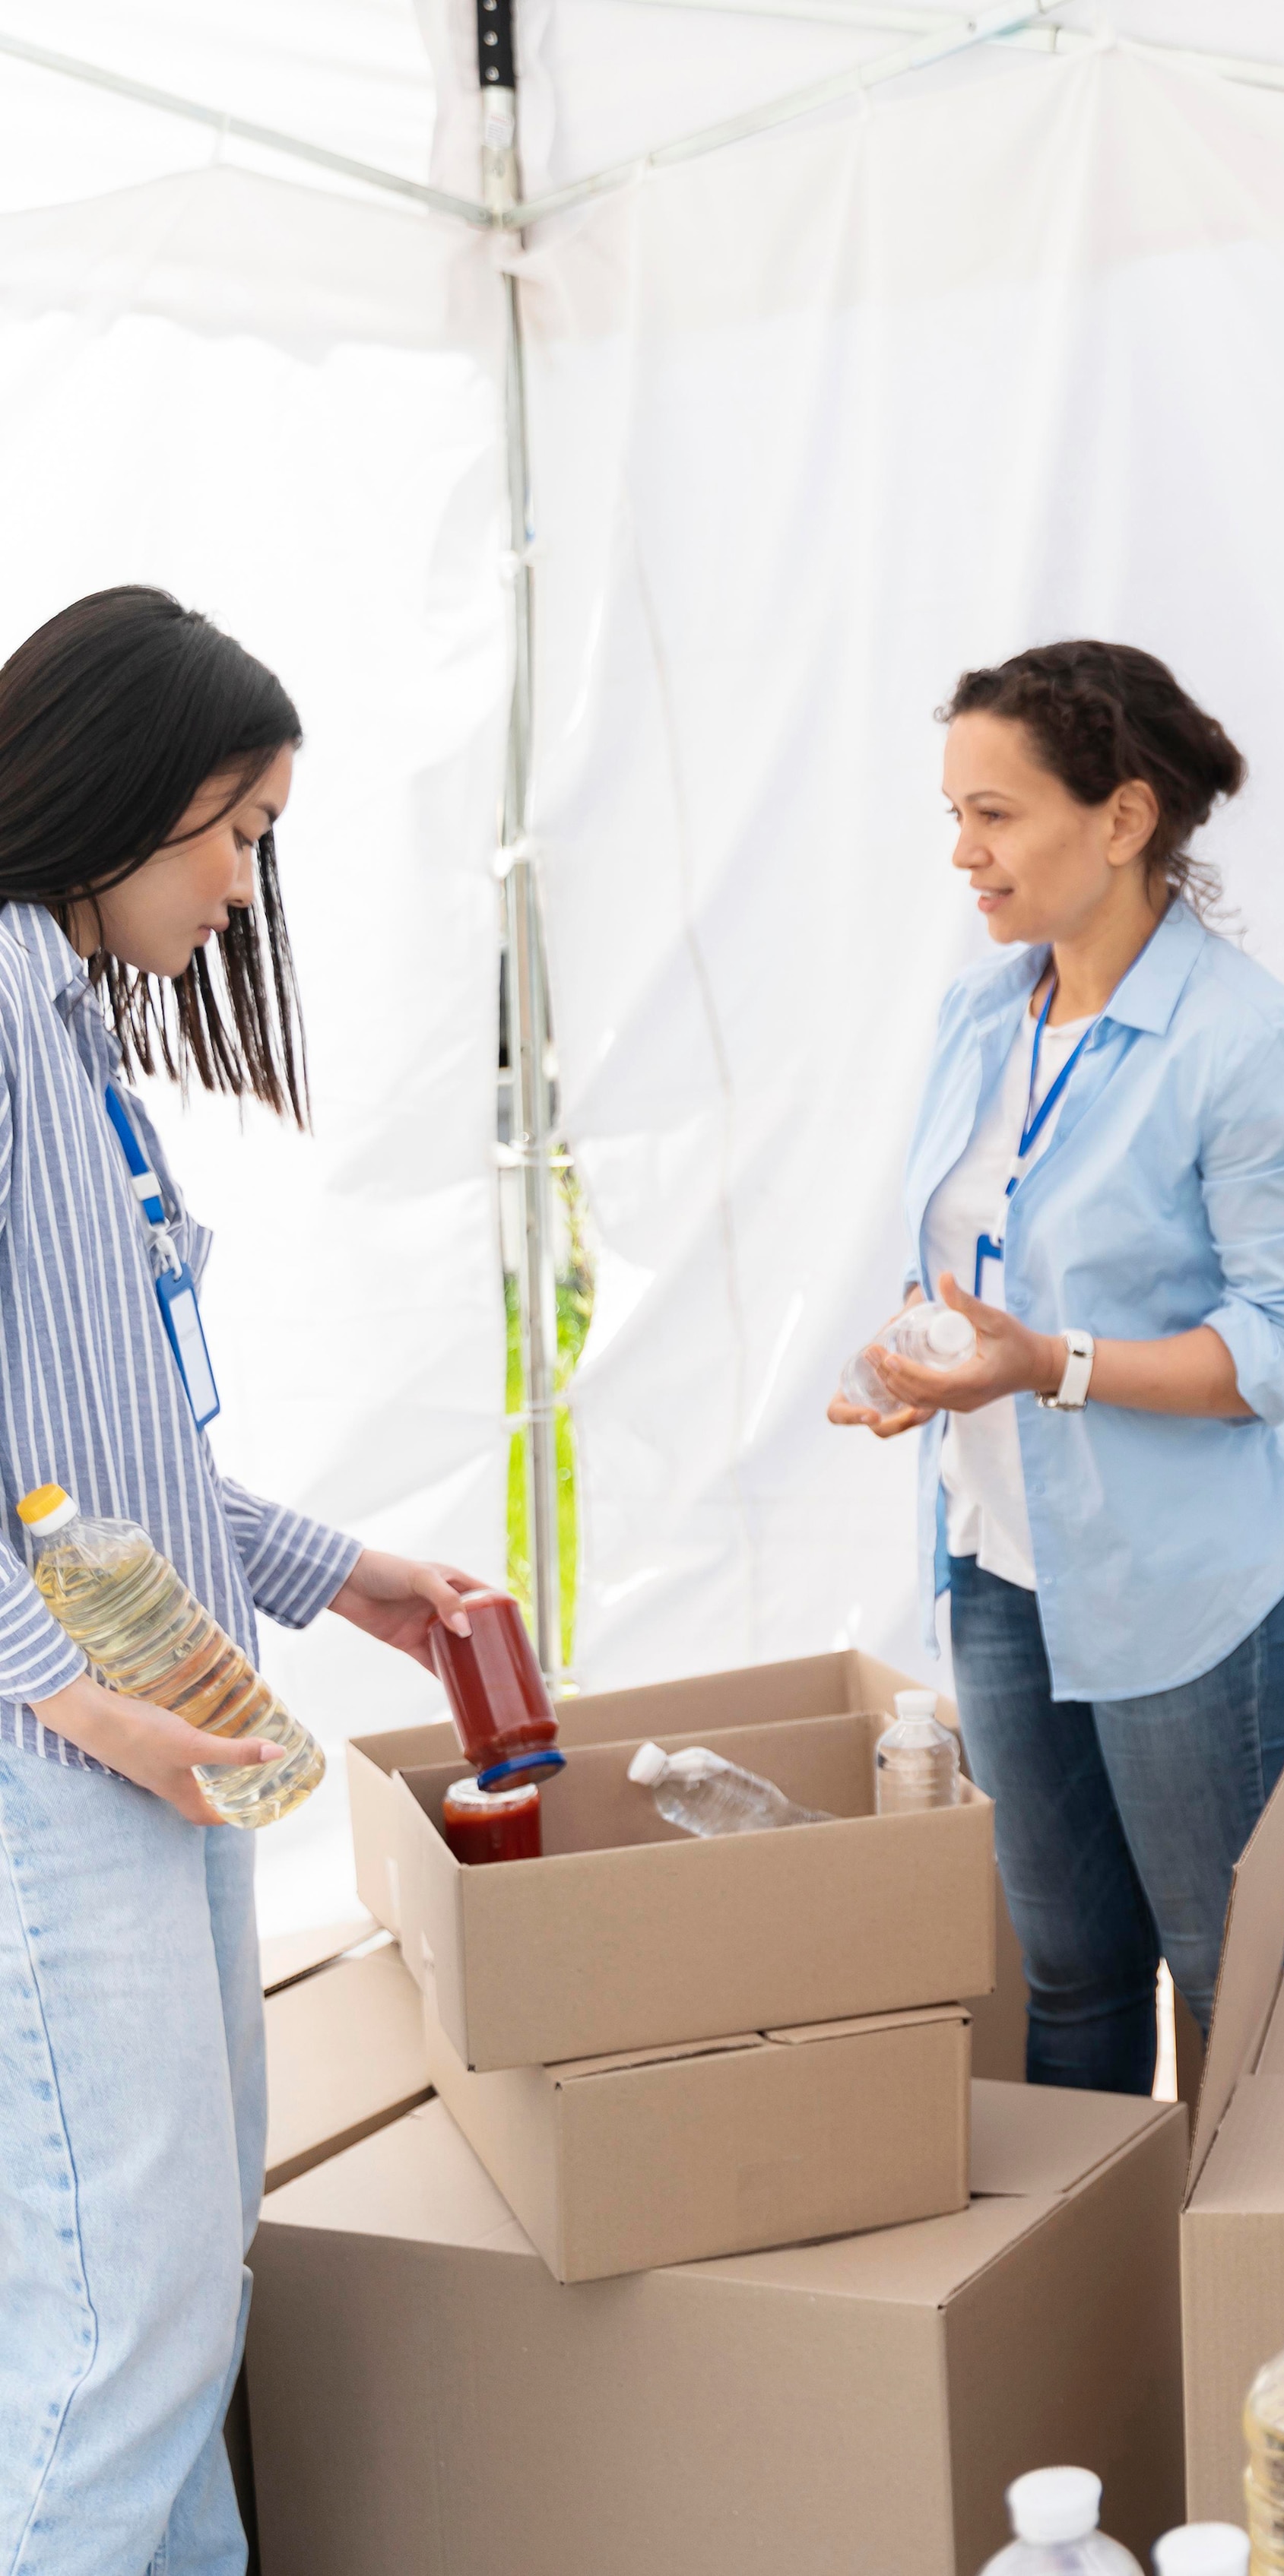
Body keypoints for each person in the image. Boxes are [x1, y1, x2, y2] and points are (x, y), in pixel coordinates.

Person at [0, 588, 491, 2575]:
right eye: (235, 826)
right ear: (114, 795)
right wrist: (59, 1677)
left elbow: (98, 1461)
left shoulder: (61, 1025)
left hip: (155, 1721)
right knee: (127, 2337)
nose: (242, 878)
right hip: (63, 1762)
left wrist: (331, 1568)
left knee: (187, 2285)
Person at [832, 641, 1284, 2096]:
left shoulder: (1247, 1042)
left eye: (994, 814)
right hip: (1002, 1566)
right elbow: (976, 1253)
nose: (961, 852)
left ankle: (1266, 2317)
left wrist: (1042, 1365)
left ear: (1122, 819)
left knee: (1231, 1991)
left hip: (1193, 1594)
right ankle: (1096, 2320)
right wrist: (914, 1359)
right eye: (954, 813)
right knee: (1066, 1977)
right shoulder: (982, 1014)